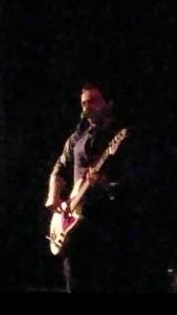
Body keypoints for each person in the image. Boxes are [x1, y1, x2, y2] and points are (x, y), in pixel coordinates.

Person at [45, 83, 142, 293]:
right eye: (83, 103)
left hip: (108, 224)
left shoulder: (120, 137)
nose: (86, 107)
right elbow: (59, 167)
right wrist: (53, 195)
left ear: (109, 103)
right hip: (75, 226)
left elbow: (135, 182)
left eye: (93, 101)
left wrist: (106, 184)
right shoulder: (77, 137)